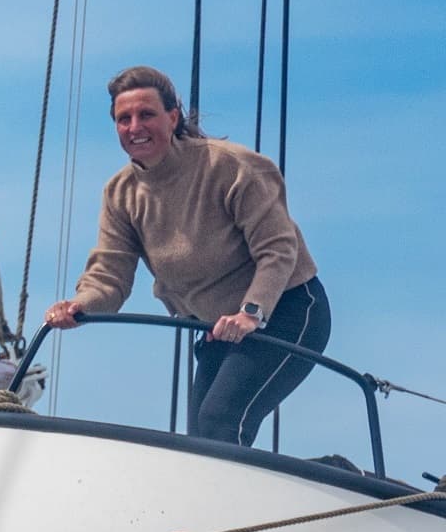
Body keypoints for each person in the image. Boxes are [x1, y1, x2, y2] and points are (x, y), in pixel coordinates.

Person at [46, 64, 328, 448]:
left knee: (220, 422)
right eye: (123, 119)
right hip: (215, 327)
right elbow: (110, 275)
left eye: (146, 114)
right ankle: (309, 487)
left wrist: (251, 313)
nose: (135, 127)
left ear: (172, 117)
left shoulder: (231, 167)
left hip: (287, 310)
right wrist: (79, 305)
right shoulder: (121, 193)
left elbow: (278, 249)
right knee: (201, 447)